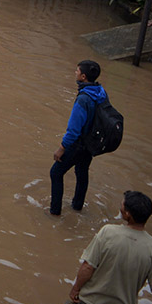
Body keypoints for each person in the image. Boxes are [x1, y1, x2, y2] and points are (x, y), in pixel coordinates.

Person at [50, 60, 108, 216]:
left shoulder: (83, 99)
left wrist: (61, 148)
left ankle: (55, 211)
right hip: (91, 143)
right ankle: (77, 205)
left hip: (78, 144)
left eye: (77, 71)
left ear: (83, 76)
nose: (74, 73)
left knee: (55, 173)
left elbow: (74, 130)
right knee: (82, 172)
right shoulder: (100, 91)